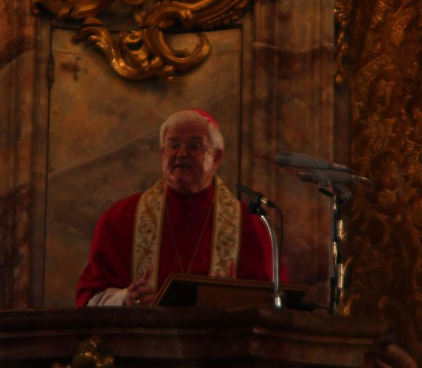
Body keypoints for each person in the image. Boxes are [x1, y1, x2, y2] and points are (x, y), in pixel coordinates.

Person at [75, 109, 285, 307]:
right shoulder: (121, 218)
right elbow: (88, 298)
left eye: (194, 146)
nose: (181, 153)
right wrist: (124, 298)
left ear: (217, 158)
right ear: (162, 153)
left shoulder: (249, 223)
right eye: (173, 145)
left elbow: (273, 302)